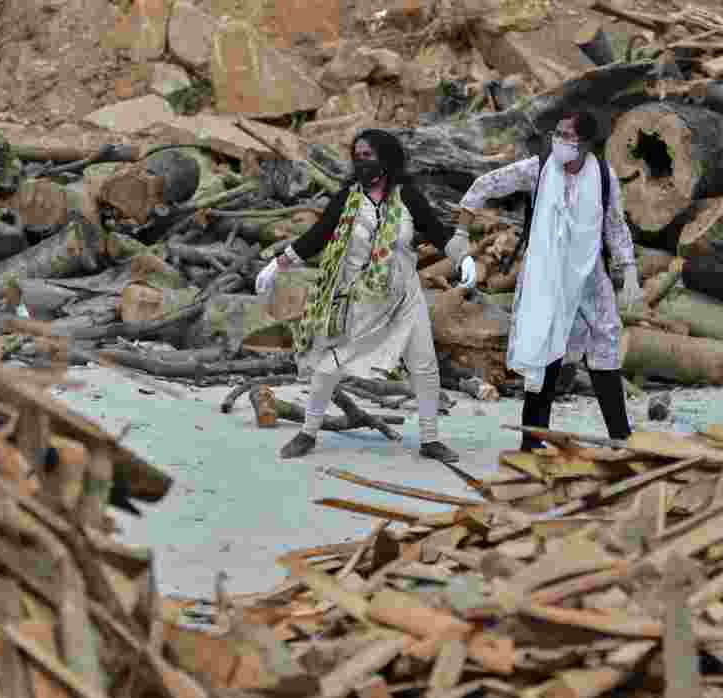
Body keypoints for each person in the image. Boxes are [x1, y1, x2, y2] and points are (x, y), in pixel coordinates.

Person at [255, 129, 476, 462]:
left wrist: (464, 258)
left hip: (404, 296)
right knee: (329, 367)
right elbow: (316, 237)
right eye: (357, 156)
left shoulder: (408, 198)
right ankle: (307, 433)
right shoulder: (348, 199)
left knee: (424, 365)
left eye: (368, 156)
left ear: (386, 159)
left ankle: (430, 440)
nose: (361, 163)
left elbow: (440, 233)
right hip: (360, 299)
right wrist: (277, 265)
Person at [452, 110, 644, 451]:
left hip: (589, 274)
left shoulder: (602, 174)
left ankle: (620, 435)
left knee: (605, 345)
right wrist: (460, 230)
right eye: (556, 134)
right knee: (545, 350)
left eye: (566, 136)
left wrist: (628, 268)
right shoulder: (538, 168)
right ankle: (533, 439)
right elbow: (486, 185)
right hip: (546, 275)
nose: (558, 141)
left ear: (585, 143)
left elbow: (614, 223)